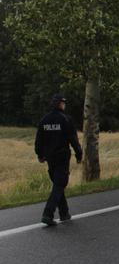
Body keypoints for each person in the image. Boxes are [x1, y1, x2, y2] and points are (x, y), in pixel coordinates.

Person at [34, 94, 82, 226]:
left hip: (50, 157)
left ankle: (64, 213)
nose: (64, 105)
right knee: (60, 184)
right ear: (60, 104)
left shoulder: (44, 119)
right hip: (62, 156)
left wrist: (40, 154)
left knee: (57, 184)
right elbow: (73, 139)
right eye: (63, 103)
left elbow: (39, 140)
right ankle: (48, 214)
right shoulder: (66, 119)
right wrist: (79, 154)